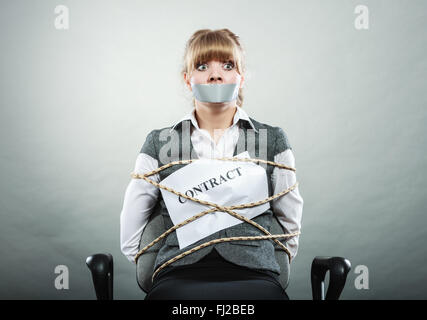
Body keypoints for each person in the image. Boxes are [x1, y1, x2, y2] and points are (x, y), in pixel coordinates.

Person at [120, 28, 304, 300]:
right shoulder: (159, 143)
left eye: (228, 66)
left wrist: (266, 258)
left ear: (240, 78)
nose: (215, 74)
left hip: (255, 273)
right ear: (187, 79)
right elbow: (132, 228)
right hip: (177, 273)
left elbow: (290, 222)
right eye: (202, 66)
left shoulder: (273, 140)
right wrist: (157, 265)